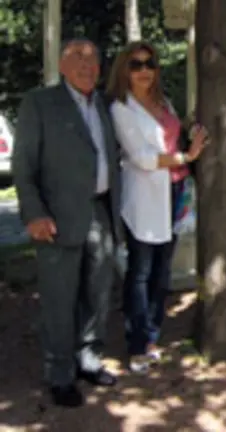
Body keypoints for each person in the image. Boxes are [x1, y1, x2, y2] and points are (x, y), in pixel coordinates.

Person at [12, 38, 123, 407]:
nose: (87, 66)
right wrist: (34, 213)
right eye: (78, 58)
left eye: (93, 59)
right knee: (59, 299)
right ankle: (60, 374)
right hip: (56, 218)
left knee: (98, 291)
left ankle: (88, 357)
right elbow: (23, 165)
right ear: (62, 66)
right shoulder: (40, 103)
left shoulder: (104, 104)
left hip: (100, 211)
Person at [108, 41, 208, 374]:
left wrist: (190, 135)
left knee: (162, 270)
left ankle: (152, 334)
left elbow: (172, 137)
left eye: (149, 63)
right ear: (124, 70)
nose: (144, 71)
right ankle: (137, 343)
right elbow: (142, 157)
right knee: (140, 272)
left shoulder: (163, 102)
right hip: (144, 196)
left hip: (175, 190)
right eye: (136, 65)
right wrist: (187, 156)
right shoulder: (121, 108)